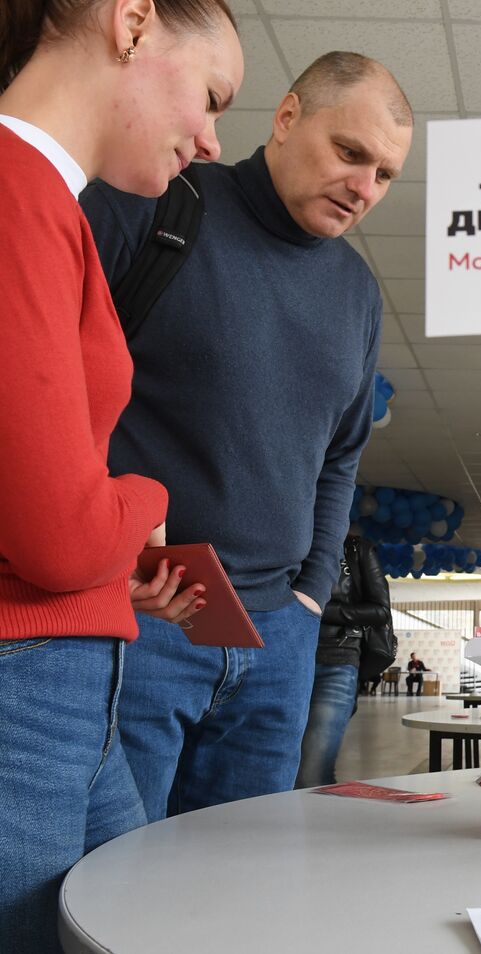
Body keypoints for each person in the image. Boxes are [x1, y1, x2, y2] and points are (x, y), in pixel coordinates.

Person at [80, 50, 413, 821]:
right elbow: (46, 382)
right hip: (142, 618)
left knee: (234, 886)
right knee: (113, 889)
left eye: (385, 175)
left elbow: (341, 459)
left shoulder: (358, 294)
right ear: (288, 117)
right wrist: (101, 551)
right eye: (350, 152)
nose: (365, 188)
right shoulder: (155, 203)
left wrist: (307, 596)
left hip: (280, 641)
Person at [0, 0, 241, 948]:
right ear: (132, 22)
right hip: (27, 686)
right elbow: (60, 538)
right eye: (214, 97)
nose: (215, 141)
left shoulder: (44, 201)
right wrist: (145, 499)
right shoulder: (19, 193)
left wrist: (112, 573)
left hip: (63, 673)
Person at [296, 534, 392, 787]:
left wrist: (316, 609)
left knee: (311, 772)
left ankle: (318, 824)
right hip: (287, 660)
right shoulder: (285, 538)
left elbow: (380, 611)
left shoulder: (355, 549)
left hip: (336, 660)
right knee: (281, 770)